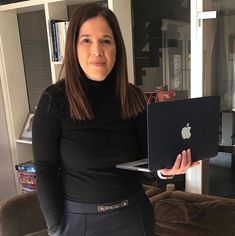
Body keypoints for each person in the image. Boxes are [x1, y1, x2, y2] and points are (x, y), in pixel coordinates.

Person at [32, 3, 199, 236]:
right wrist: (56, 228)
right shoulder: (54, 100)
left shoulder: (132, 96)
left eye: (106, 41)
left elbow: (146, 159)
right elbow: (45, 170)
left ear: (117, 48)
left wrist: (166, 170)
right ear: (73, 46)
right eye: (86, 40)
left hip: (133, 217)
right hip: (79, 223)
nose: (97, 50)